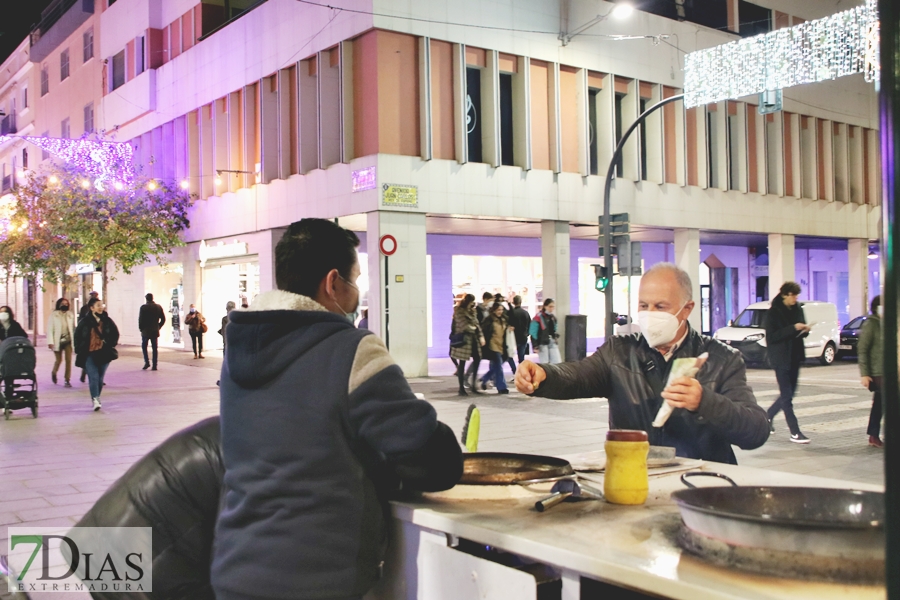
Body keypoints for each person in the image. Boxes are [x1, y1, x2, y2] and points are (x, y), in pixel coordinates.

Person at [212, 218, 462, 600]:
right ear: (332, 283)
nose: (357, 291)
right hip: (319, 577)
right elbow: (434, 461)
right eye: (355, 279)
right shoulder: (351, 349)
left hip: (236, 569)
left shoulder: (239, 350)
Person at [515, 263, 769, 464]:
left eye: (660, 306)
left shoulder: (721, 359)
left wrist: (704, 401)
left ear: (687, 309)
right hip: (634, 478)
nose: (650, 314)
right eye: (644, 305)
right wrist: (543, 375)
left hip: (701, 490)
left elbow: (755, 431)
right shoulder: (619, 351)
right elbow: (577, 376)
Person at [764, 281, 812, 444]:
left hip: (795, 356)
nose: (795, 299)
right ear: (785, 295)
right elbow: (772, 337)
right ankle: (795, 432)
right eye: (793, 295)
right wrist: (793, 328)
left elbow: (799, 331)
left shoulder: (798, 308)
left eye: (797, 296)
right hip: (781, 358)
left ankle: (768, 416)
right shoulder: (773, 313)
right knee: (786, 396)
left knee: (789, 393)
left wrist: (805, 330)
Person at [74, 297, 119, 412]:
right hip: (89, 354)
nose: (100, 307)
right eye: (98, 305)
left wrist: (111, 344)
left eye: (101, 305)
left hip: (104, 353)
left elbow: (115, 333)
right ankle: (95, 399)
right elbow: (77, 336)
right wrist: (79, 349)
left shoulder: (107, 321)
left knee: (99, 379)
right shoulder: (84, 322)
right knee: (93, 377)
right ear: (91, 308)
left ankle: (96, 396)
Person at [858, 295, 884, 448]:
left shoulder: (886, 323)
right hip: (877, 371)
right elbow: (862, 349)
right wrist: (864, 373)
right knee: (887, 403)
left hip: (888, 370)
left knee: (879, 404)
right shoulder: (871, 324)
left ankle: (873, 435)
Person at [450, 294, 482, 396]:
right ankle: (461, 388)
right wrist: (474, 329)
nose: (473, 303)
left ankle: (473, 386)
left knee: (477, 359)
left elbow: (477, 324)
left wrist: (480, 335)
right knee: (462, 363)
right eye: (471, 301)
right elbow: (464, 326)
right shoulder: (459, 310)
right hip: (463, 340)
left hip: (473, 340)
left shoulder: (472, 311)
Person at [481, 302, 510, 394]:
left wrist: (508, 303)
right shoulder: (489, 320)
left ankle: (484, 379)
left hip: (502, 346)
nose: (500, 312)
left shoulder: (504, 319)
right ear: (493, 310)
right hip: (492, 346)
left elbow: (512, 314)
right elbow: (484, 332)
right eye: (498, 310)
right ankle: (502, 387)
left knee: (497, 366)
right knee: (498, 367)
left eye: (501, 310)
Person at [47, 298, 75, 387]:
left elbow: (73, 328)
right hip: (57, 340)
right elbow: (50, 329)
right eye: (63, 303)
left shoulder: (70, 315)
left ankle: (67, 380)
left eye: (66, 303)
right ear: (59, 304)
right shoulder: (54, 315)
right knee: (58, 360)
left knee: (68, 360)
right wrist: (50, 342)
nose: (65, 305)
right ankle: (54, 372)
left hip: (68, 340)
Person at [138, 292, 166, 371]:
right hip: (154, 331)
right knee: (154, 348)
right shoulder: (158, 307)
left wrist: (141, 329)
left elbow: (140, 320)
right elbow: (163, 319)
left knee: (144, 347)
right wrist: (158, 326)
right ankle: (154, 365)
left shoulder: (143, 308)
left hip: (145, 331)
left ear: (146, 299)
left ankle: (147, 362)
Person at [530, 298, 561, 364]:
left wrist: (555, 336)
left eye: (553, 307)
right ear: (545, 306)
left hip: (551, 341)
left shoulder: (552, 318)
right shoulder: (538, 317)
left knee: (557, 362)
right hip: (542, 343)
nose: (551, 309)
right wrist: (535, 345)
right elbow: (533, 332)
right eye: (550, 306)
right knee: (545, 364)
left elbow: (554, 330)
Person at [78, 291, 99, 383]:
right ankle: (85, 372)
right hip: (87, 336)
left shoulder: (99, 308)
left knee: (98, 358)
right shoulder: (85, 309)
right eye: (92, 296)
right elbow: (81, 322)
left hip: (98, 337)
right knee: (88, 357)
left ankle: (98, 377)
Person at [508, 295, 531, 366]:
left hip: (513, 337)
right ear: (521, 302)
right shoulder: (525, 313)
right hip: (523, 337)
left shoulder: (511, 313)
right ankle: (521, 371)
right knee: (521, 357)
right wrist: (527, 333)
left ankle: (514, 370)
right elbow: (530, 325)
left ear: (513, 302)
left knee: (509, 355)